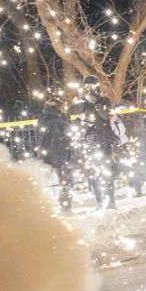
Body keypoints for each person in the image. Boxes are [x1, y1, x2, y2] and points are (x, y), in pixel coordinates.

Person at [76, 76, 118, 210]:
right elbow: (90, 121)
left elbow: (106, 117)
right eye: (86, 85)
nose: (88, 87)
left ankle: (111, 201)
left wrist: (96, 104)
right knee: (94, 172)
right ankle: (100, 202)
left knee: (107, 171)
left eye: (91, 84)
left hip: (104, 140)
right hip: (91, 140)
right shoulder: (84, 103)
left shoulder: (104, 100)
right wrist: (83, 119)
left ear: (96, 85)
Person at [37, 98, 75, 212]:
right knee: (66, 180)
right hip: (61, 154)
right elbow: (66, 136)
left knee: (48, 181)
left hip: (47, 154)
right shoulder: (60, 119)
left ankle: (46, 206)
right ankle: (65, 205)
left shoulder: (43, 118)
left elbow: (41, 136)